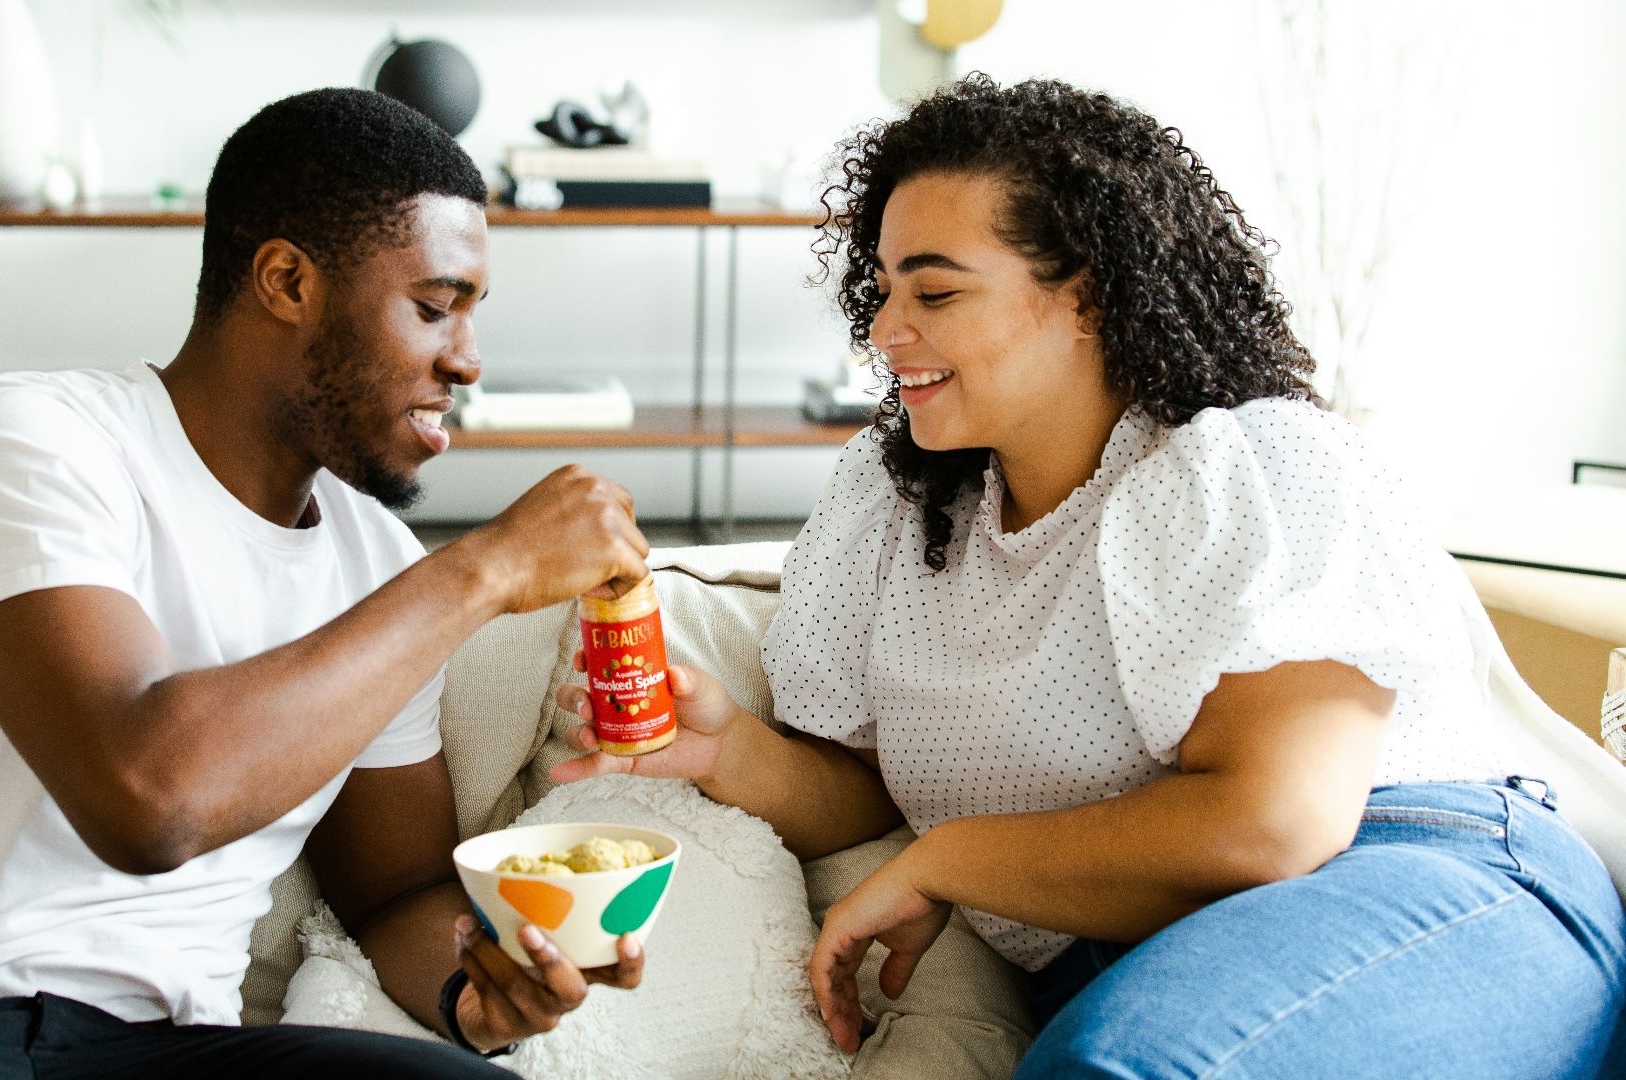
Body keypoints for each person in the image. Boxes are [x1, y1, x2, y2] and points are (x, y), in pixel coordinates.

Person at [552, 75, 1626, 1078]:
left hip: (1409, 881)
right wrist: (731, 749)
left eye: (935, 290)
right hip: (1135, 965)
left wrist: (952, 863)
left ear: (1092, 296)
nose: (884, 330)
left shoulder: (1247, 462)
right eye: (880, 291)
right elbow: (865, 786)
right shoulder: (892, 508)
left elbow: (1277, 823)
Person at [0, 88, 654, 1078]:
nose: (465, 360)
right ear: (287, 280)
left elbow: (392, 899)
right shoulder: (39, 438)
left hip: (170, 1052)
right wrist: (490, 564)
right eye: (431, 307)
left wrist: (483, 979)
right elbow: (145, 798)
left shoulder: (378, 568)